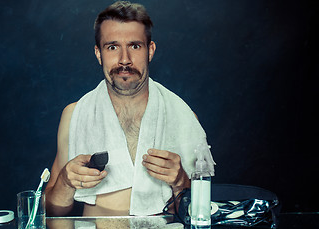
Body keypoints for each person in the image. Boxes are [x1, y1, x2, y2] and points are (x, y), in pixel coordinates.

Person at [45, 1, 214, 217]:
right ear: (98, 54)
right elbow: (50, 210)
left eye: (135, 46)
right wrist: (66, 182)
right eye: (112, 47)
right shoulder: (74, 116)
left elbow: (200, 214)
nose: (124, 59)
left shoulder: (184, 118)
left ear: (150, 50)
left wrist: (181, 180)